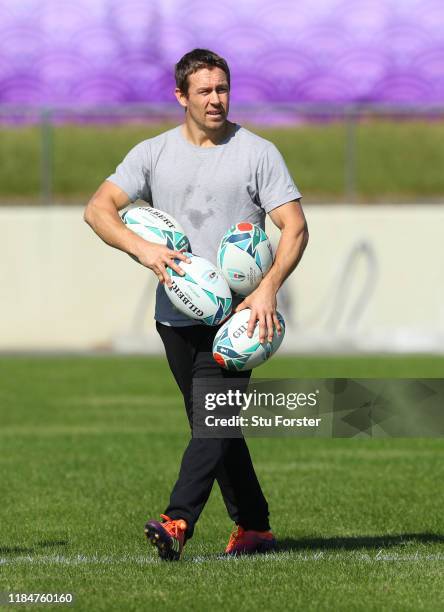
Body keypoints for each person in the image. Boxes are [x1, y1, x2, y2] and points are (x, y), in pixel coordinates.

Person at [84, 48, 308, 561]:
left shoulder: (257, 152)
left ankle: (177, 519)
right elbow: (98, 210)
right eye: (204, 90)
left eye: (222, 89)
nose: (216, 99)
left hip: (240, 318)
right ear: (180, 95)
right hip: (175, 316)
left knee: (212, 421)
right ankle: (254, 527)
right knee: (215, 427)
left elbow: (294, 226)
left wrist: (269, 286)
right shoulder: (153, 153)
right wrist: (143, 249)